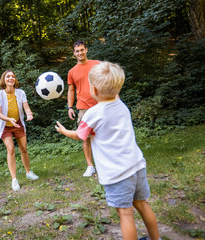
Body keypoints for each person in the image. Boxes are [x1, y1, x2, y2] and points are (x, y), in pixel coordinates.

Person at [56, 61, 161, 240]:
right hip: (137, 166)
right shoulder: (121, 105)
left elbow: (80, 136)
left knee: (125, 214)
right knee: (143, 205)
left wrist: (64, 131)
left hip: (117, 174)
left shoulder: (93, 114)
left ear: (94, 91)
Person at [0, 70, 39, 191]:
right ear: (4, 79)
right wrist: (9, 119)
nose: (10, 78)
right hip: (5, 126)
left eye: (12, 76)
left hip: (18, 124)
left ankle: (28, 172)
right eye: (8, 76)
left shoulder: (20, 93)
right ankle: (14, 180)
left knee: (23, 148)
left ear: (15, 80)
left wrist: (29, 114)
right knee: (11, 149)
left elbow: (26, 107)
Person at [67, 40, 100, 177]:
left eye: (82, 50)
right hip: (83, 108)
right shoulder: (72, 72)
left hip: (100, 104)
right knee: (85, 137)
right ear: (74, 53)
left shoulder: (97, 64)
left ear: (86, 50)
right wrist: (70, 107)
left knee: (103, 135)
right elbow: (71, 90)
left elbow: (107, 80)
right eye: (77, 51)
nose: (80, 53)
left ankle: (104, 162)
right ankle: (90, 166)